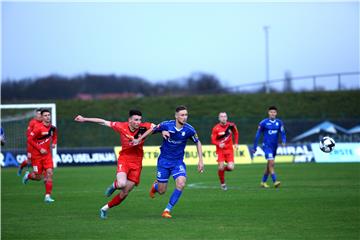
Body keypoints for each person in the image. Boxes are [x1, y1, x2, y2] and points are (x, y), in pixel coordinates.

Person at [74, 110, 155, 219]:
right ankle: (114, 185)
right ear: (129, 120)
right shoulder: (121, 126)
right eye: (136, 120)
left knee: (125, 193)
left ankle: (104, 208)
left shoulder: (144, 126)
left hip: (137, 162)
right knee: (121, 184)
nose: (138, 122)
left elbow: (157, 127)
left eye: (140, 120)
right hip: (124, 159)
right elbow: (103, 122)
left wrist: (162, 132)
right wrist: (85, 119)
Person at [149, 105, 204, 218]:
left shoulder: (189, 129)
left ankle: (167, 210)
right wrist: (162, 130)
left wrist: (201, 160)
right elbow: (152, 130)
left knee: (181, 183)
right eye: (182, 115)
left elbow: (198, 142)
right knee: (161, 191)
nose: (185, 117)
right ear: (176, 116)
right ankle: (155, 187)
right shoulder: (166, 125)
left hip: (177, 162)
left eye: (186, 115)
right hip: (163, 162)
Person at [23, 109, 57, 202]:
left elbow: (55, 136)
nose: (47, 117)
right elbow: (30, 140)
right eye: (45, 115)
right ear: (42, 117)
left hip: (47, 155)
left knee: (49, 173)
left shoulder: (52, 128)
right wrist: (40, 148)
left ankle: (47, 196)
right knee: (38, 177)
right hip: (36, 156)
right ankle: (28, 176)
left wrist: (54, 143)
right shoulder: (37, 128)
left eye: (48, 115)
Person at [253, 106, 286, 188]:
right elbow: (257, 135)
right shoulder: (263, 123)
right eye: (271, 112)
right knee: (271, 163)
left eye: (274, 112)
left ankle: (263, 182)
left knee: (269, 165)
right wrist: (255, 147)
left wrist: (284, 141)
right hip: (266, 146)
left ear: (276, 113)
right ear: (268, 113)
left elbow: (283, 133)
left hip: (275, 146)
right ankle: (275, 181)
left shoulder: (279, 122)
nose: (272, 113)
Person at [211, 112, 239, 190]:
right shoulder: (216, 128)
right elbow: (213, 140)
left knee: (231, 168)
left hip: (229, 150)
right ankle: (223, 184)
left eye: (225, 116)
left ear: (227, 117)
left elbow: (236, 133)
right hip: (220, 151)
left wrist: (236, 143)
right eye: (221, 116)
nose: (223, 118)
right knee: (220, 167)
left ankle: (222, 169)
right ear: (219, 118)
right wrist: (218, 144)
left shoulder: (231, 125)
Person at [18, 108, 43, 176]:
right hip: (31, 145)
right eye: (38, 114)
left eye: (41, 114)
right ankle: (21, 167)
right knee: (29, 161)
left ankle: (37, 173)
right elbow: (28, 134)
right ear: (36, 115)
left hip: (40, 145)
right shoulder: (32, 122)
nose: (40, 115)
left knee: (41, 159)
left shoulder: (44, 122)